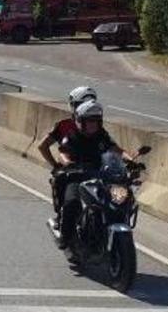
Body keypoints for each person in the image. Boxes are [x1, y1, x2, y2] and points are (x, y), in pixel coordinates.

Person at [56, 100, 132, 248]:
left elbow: (117, 150)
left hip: (100, 177)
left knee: (120, 199)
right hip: (77, 177)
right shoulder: (72, 136)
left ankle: (106, 229)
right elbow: (62, 153)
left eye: (95, 122)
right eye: (89, 122)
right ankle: (66, 237)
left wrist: (130, 160)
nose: (92, 125)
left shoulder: (102, 135)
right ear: (79, 121)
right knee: (72, 203)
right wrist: (68, 163)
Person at [39, 86, 97, 222]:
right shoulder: (63, 125)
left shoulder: (96, 126)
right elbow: (42, 146)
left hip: (92, 170)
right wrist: (56, 166)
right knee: (61, 183)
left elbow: (109, 148)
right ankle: (62, 219)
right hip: (71, 170)